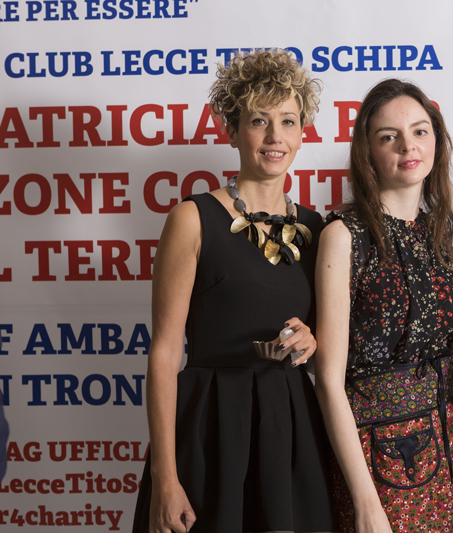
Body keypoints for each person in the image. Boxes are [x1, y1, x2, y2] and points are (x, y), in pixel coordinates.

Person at [132, 49, 335, 533]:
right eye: (259, 121)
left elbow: (330, 351)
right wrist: (165, 477)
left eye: (288, 121)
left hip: (292, 430)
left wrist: (313, 340)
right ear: (231, 130)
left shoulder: (317, 229)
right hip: (211, 428)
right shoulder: (192, 218)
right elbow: (164, 353)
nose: (275, 136)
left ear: (302, 132)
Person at [315, 79, 453, 533]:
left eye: (420, 131)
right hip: (381, 454)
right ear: (367, 151)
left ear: (436, 141)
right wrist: (365, 499)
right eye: (389, 136)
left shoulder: (436, 229)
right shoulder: (344, 235)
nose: (408, 146)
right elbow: (328, 381)